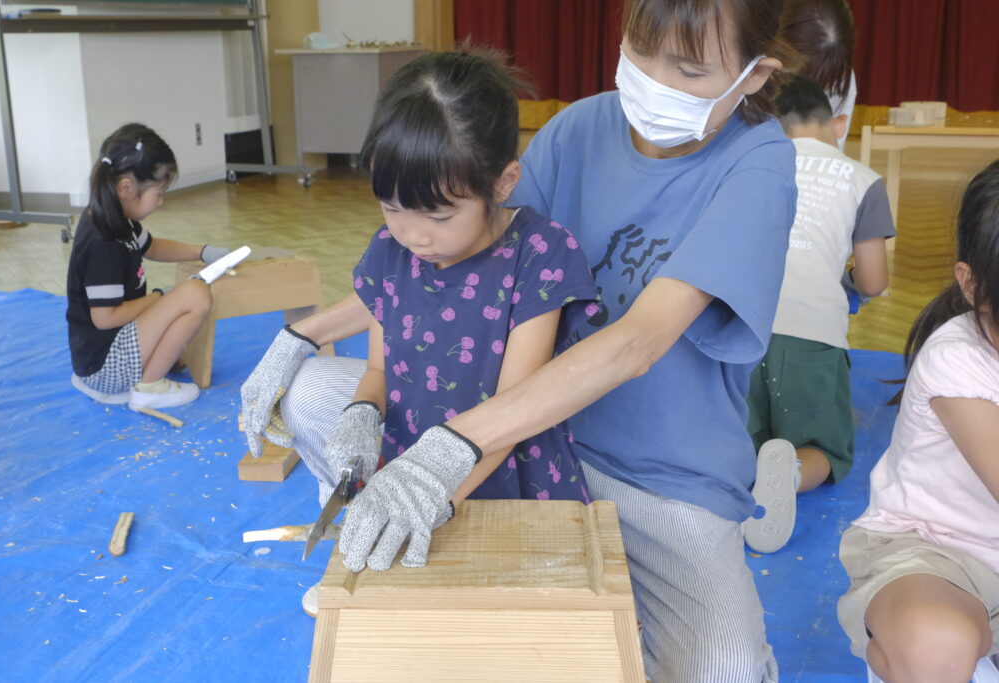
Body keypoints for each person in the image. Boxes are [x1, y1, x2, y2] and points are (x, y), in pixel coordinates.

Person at [243, 1, 801, 679]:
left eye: (687, 68)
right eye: (641, 50)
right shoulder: (579, 130)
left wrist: (446, 452)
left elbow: (636, 344)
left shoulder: (759, 163)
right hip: (522, 440)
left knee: (724, 670)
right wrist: (300, 336)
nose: (654, 82)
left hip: (655, 478)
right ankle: (391, 523)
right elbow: (443, 247)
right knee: (308, 393)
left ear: (752, 74)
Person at [837, 160, 999, 683]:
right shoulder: (957, 357)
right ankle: (912, 659)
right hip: (936, 554)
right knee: (936, 645)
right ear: (972, 286)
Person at [743, 74, 893, 554]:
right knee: (824, 448)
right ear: (839, 124)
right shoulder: (862, 180)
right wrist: (846, 287)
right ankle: (789, 474)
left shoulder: (751, 168)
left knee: (743, 430)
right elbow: (873, 281)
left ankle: (743, 475)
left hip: (741, 331)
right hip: (812, 337)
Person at [66, 123, 234, 410]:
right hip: (105, 367)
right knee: (195, 295)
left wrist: (203, 252)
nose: (161, 201)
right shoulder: (102, 239)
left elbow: (152, 247)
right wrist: (159, 297)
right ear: (126, 188)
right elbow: (105, 318)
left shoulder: (115, 217)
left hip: (104, 353)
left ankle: (148, 374)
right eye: (159, 192)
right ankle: (150, 387)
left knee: (187, 293)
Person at [782, 0, 858, 148]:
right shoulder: (745, 68)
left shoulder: (839, 81)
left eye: (826, 82)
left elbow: (828, 155)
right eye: (805, 74)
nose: (816, 90)